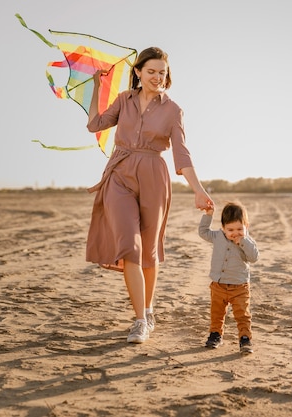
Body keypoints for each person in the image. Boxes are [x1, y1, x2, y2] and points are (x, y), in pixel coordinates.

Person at [85, 47, 214, 344]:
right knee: (130, 245)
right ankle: (140, 321)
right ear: (138, 72)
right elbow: (95, 124)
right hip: (119, 175)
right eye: (152, 71)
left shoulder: (173, 111)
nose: (157, 77)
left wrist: (199, 190)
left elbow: (181, 156)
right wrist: (96, 88)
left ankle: (148, 308)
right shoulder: (123, 100)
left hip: (154, 177)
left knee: (148, 252)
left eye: (163, 73)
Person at [198, 201, 259, 354]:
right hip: (218, 285)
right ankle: (215, 334)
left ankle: (245, 338)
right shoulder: (217, 236)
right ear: (223, 228)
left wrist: (243, 241)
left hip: (239, 286)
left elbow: (253, 258)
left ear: (246, 226)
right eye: (230, 229)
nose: (235, 233)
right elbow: (203, 232)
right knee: (217, 313)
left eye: (239, 229)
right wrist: (208, 215)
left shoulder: (248, 241)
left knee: (242, 314)